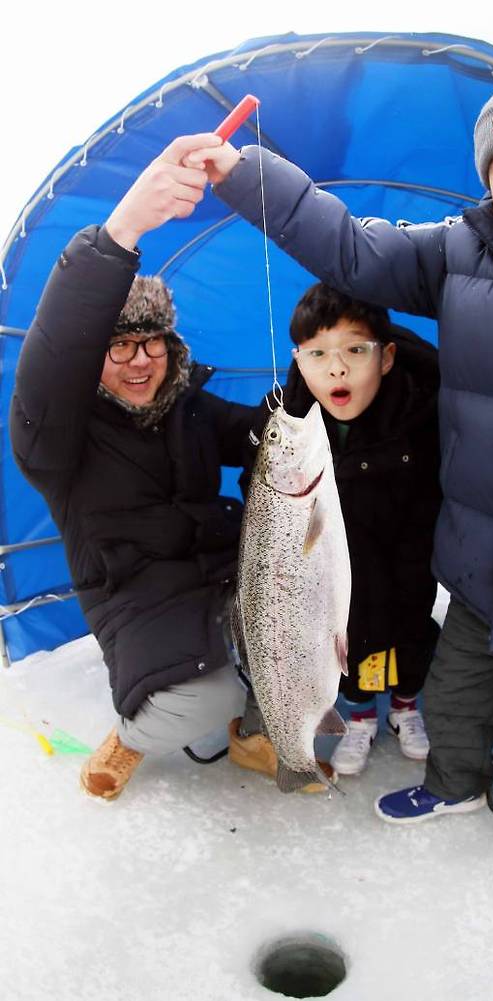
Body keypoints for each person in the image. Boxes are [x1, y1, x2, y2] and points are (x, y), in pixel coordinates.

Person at [198, 55, 493, 917]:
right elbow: (351, 248)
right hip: (481, 577)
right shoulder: (456, 256)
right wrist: (247, 173)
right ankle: (449, 783)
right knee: (453, 703)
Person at [9, 136, 331, 800]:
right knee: (200, 700)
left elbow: (252, 434)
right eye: (116, 345)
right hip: (138, 601)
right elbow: (54, 354)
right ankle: (131, 736)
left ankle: (255, 734)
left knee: (303, 642)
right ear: (90, 358)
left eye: (149, 340)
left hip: (224, 575)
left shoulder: (185, 402)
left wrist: (307, 388)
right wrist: (120, 231)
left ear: (169, 343)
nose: (137, 359)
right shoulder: (57, 436)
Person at [242, 283, 440, 775]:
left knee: (410, 643)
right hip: (332, 576)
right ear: (298, 359)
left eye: (355, 350)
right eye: (317, 354)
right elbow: (262, 490)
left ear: (387, 357)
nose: (337, 368)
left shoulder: (426, 409)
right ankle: (358, 719)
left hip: (411, 561)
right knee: (347, 648)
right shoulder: (286, 417)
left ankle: (405, 708)